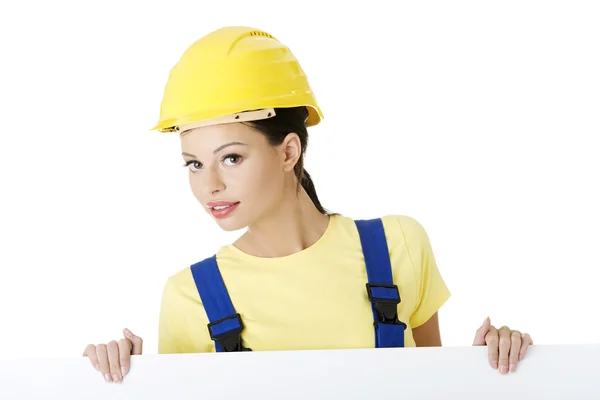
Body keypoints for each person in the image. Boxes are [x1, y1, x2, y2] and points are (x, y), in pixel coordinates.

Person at [82, 26, 533, 384]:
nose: (209, 185)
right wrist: (124, 378)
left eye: (231, 158)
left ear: (287, 151)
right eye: (194, 164)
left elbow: (434, 387)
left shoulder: (398, 247)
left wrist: (491, 369)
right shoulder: (191, 296)